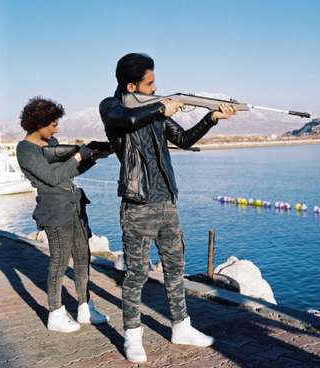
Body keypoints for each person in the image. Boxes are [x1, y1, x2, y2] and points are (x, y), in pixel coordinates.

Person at [99, 53, 236, 363]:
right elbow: (127, 120)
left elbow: (185, 139)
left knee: (175, 270)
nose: (156, 87)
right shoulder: (111, 107)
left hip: (167, 202)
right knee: (136, 275)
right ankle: (132, 336)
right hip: (138, 204)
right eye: (150, 83)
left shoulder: (155, 112)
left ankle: (181, 326)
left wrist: (211, 118)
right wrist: (162, 106)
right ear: (132, 85)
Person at [16, 97, 109, 333]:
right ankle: (55, 313)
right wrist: (79, 155)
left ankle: (85, 308)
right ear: (39, 123)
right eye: (53, 124)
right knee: (58, 262)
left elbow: (69, 173)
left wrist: (92, 157)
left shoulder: (53, 143)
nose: (56, 129)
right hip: (54, 212)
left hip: (75, 207)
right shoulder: (25, 150)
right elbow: (52, 177)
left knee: (82, 259)